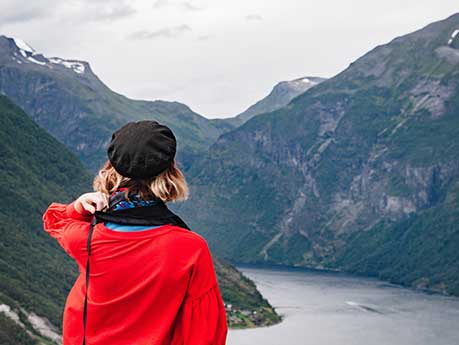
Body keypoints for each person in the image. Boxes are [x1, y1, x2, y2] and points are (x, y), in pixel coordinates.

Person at [42, 120, 228, 345]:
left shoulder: (86, 239)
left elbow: (55, 219)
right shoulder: (191, 249)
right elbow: (205, 334)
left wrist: (78, 207)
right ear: (170, 173)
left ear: (110, 169)